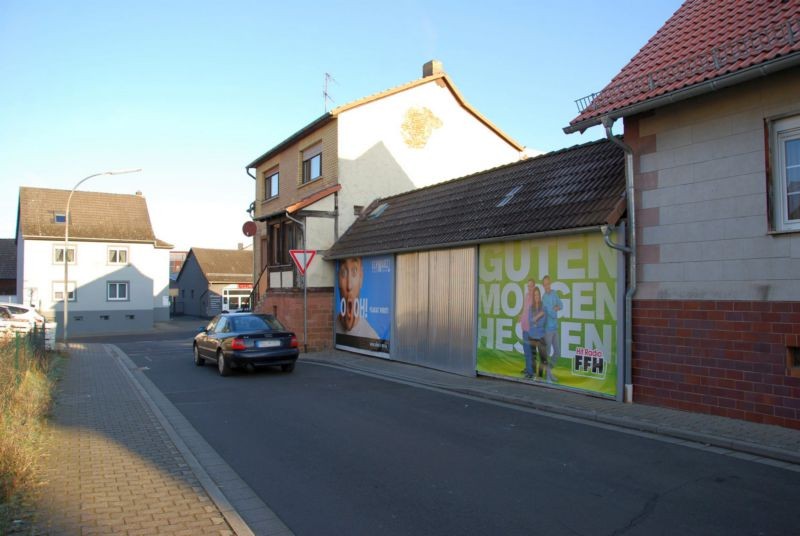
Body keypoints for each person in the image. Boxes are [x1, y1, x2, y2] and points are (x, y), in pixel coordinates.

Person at [337, 256, 378, 339]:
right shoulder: (331, 330)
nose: (349, 286)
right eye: (343, 272)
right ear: (338, 279)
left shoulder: (372, 337)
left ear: (361, 277)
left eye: (354, 271)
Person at [541, 275, 563, 384]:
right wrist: (555, 309)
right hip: (548, 329)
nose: (547, 286)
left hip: (555, 327)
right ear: (543, 286)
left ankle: (549, 372)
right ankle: (548, 377)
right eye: (544, 285)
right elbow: (551, 313)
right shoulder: (544, 298)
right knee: (548, 353)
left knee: (557, 352)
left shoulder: (554, 293)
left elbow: (561, 305)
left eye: (548, 284)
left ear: (550, 283)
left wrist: (555, 308)